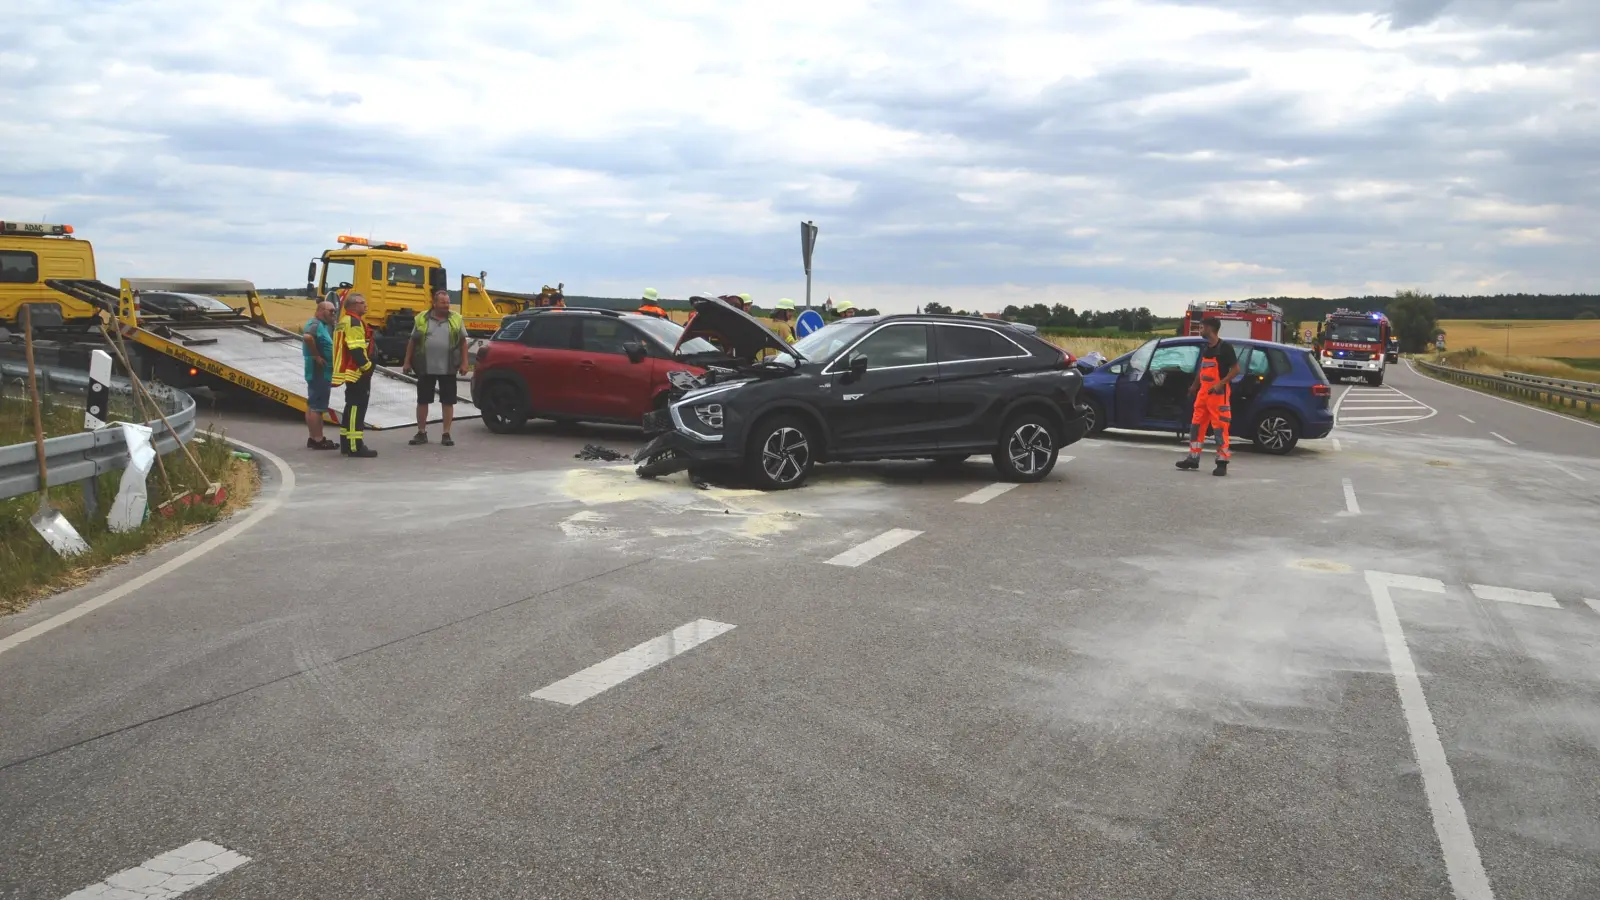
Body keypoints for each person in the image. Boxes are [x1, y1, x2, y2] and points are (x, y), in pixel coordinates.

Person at [403, 289, 469, 446]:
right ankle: (421, 432)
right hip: (425, 367)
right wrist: (406, 362)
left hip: (448, 367)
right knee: (423, 400)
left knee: (448, 401)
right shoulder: (421, 318)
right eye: (443, 302)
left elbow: (463, 342)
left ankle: (446, 433)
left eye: (448, 302)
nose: (446, 305)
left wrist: (464, 363)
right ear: (434, 303)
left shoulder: (456, 319)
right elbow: (412, 342)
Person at [1176, 317, 1240, 476]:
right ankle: (1193, 458)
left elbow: (1236, 369)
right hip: (1203, 393)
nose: (1200, 330)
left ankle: (1222, 462)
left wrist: (1221, 383)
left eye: (1202, 327)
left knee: (1220, 428)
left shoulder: (1225, 348)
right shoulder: (1207, 348)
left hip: (1218, 395)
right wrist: (1194, 386)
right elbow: (1202, 370)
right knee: (1196, 426)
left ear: (1210, 328)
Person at [332, 292, 378, 458]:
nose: (366, 305)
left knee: (350, 407)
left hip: (350, 371)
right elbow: (356, 348)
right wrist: (367, 367)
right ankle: (355, 446)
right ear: (353, 305)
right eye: (362, 302)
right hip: (356, 372)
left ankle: (346, 443)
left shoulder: (344, 321)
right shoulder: (353, 322)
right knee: (357, 408)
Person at [300, 301, 338, 450]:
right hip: (319, 370)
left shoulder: (322, 325)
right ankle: (318, 439)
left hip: (317, 370)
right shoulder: (315, 324)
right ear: (321, 311)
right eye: (331, 311)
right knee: (318, 406)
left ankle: (313, 437)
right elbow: (308, 337)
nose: (333, 314)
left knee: (312, 404)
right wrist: (317, 356)